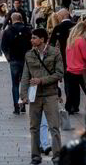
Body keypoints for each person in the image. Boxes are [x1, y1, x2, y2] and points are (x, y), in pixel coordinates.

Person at [20, 28, 63, 165]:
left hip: (50, 94)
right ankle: (35, 156)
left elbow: (59, 74)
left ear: (42, 39)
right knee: (34, 127)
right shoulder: (29, 54)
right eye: (31, 38)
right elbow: (25, 75)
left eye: (34, 38)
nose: (31, 40)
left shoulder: (55, 53)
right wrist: (23, 95)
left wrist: (41, 80)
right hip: (35, 95)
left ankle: (57, 156)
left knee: (54, 127)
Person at [1, 13, 32, 114]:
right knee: (25, 82)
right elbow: (32, 45)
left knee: (15, 84)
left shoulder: (8, 30)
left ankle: (16, 106)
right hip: (26, 60)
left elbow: (3, 46)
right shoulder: (27, 30)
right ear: (21, 19)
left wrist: (8, 57)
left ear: (12, 19)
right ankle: (23, 103)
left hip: (14, 59)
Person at [65, 22, 86, 114]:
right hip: (80, 70)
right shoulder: (81, 40)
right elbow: (85, 56)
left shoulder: (70, 40)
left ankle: (70, 107)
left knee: (73, 90)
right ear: (83, 31)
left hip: (70, 69)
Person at [49, 8, 75, 99]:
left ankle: (69, 102)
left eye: (59, 16)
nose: (58, 18)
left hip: (63, 57)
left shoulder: (58, 27)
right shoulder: (75, 26)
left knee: (67, 80)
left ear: (63, 16)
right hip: (76, 57)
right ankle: (75, 104)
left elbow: (51, 43)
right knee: (76, 81)